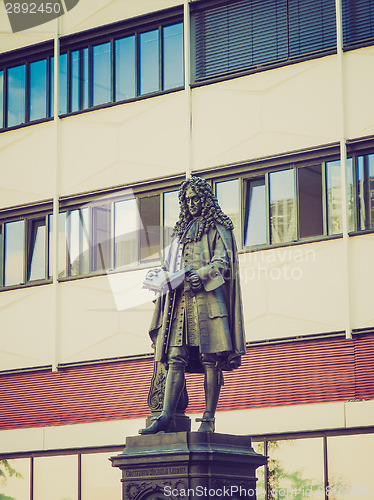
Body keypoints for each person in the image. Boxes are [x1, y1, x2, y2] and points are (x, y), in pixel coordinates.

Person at [139, 177, 246, 434]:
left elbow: (224, 262)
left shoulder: (220, 227)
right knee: (175, 357)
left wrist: (204, 274)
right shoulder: (180, 231)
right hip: (180, 303)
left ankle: (208, 418)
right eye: (187, 199)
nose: (192, 203)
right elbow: (169, 265)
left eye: (196, 198)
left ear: (205, 198)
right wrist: (159, 279)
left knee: (211, 359)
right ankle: (166, 415)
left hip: (209, 301)